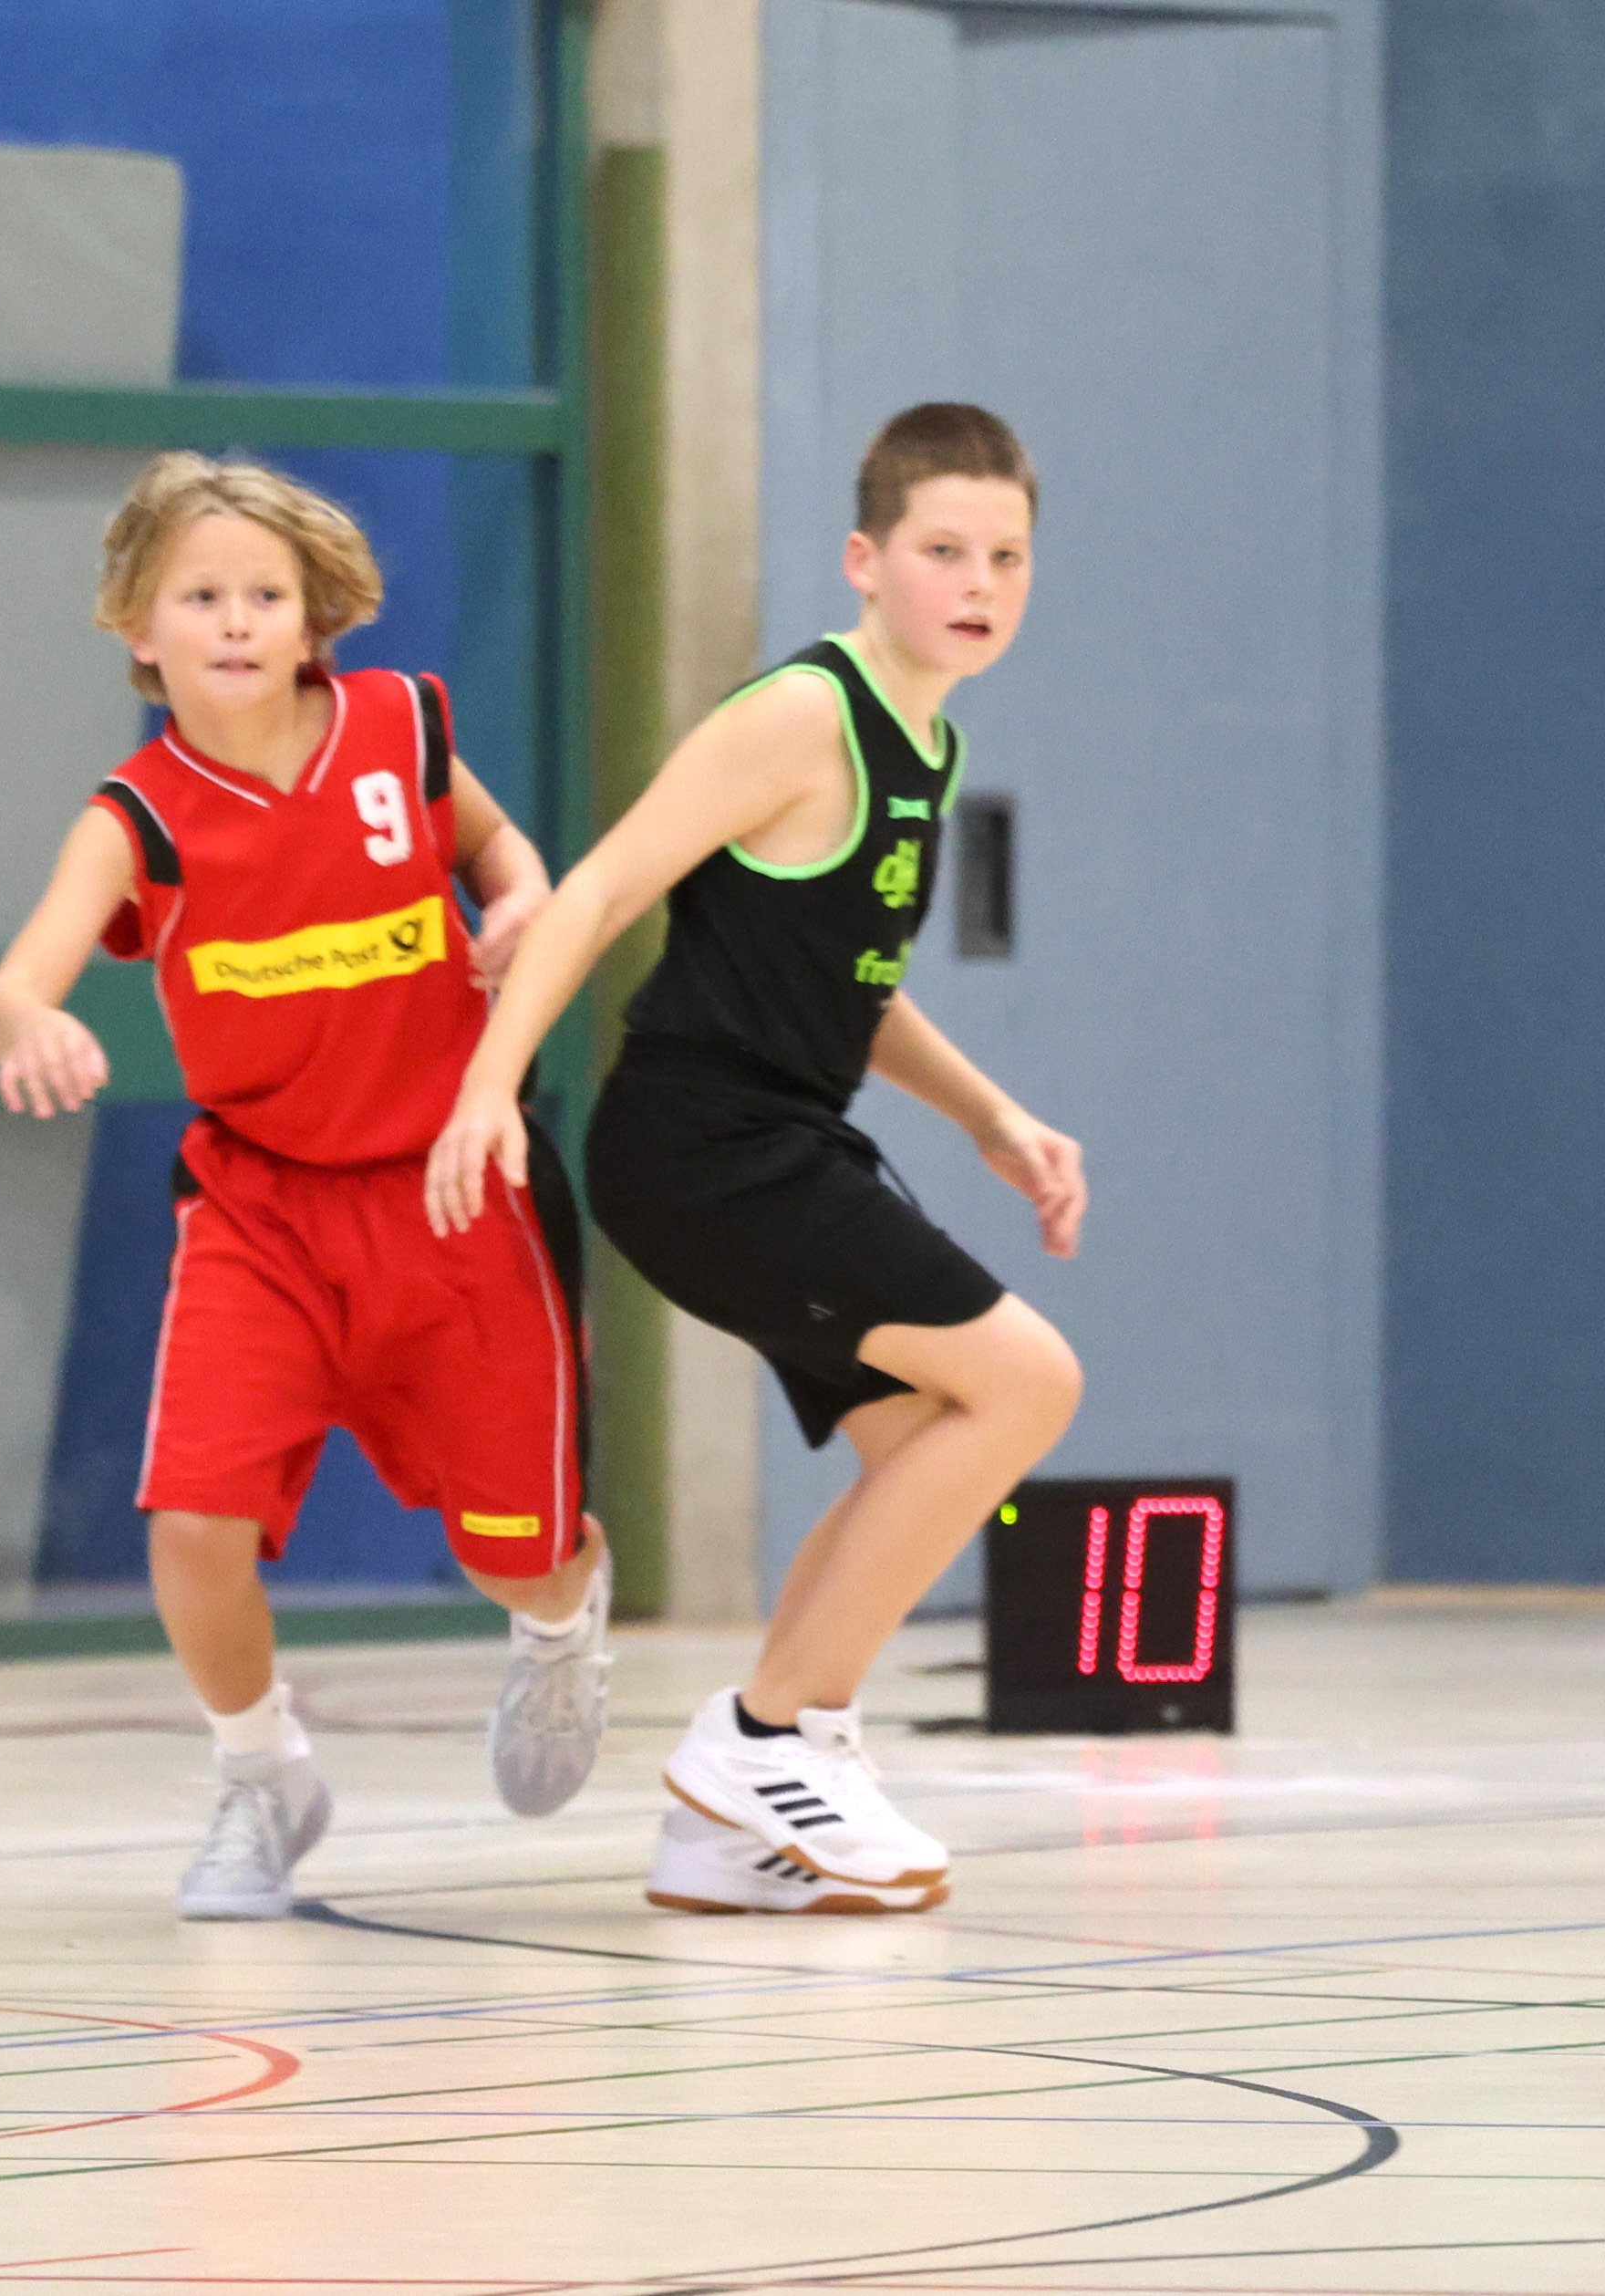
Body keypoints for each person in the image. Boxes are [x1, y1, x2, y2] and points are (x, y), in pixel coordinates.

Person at [426, 403, 1086, 1917]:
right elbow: (598, 892)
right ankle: (764, 1737)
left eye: (1006, 557)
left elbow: (849, 984)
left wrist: (991, 1115)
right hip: (698, 1144)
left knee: (927, 1435)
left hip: (783, 1136)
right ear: (865, 559)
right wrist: (486, 1086)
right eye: (943, 551)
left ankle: (737, 1826)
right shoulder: (803, 713)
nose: (978, 583)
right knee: (1028, 1381)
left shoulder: (929, 737)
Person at [0, 453, 606, 1918]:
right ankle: (264, 1774)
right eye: (201, 595)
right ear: (138, 626)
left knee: (516, 1556)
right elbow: (15, 984)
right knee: (191, 1525)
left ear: (314, 617)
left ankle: (562, 1625)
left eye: (265, 594)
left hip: (456, 1191)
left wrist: (518, 895)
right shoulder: (137, 814)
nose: (237, 620)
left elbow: (497, 847)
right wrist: (31, 1026)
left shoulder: (399, 727)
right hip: (262, 1209)